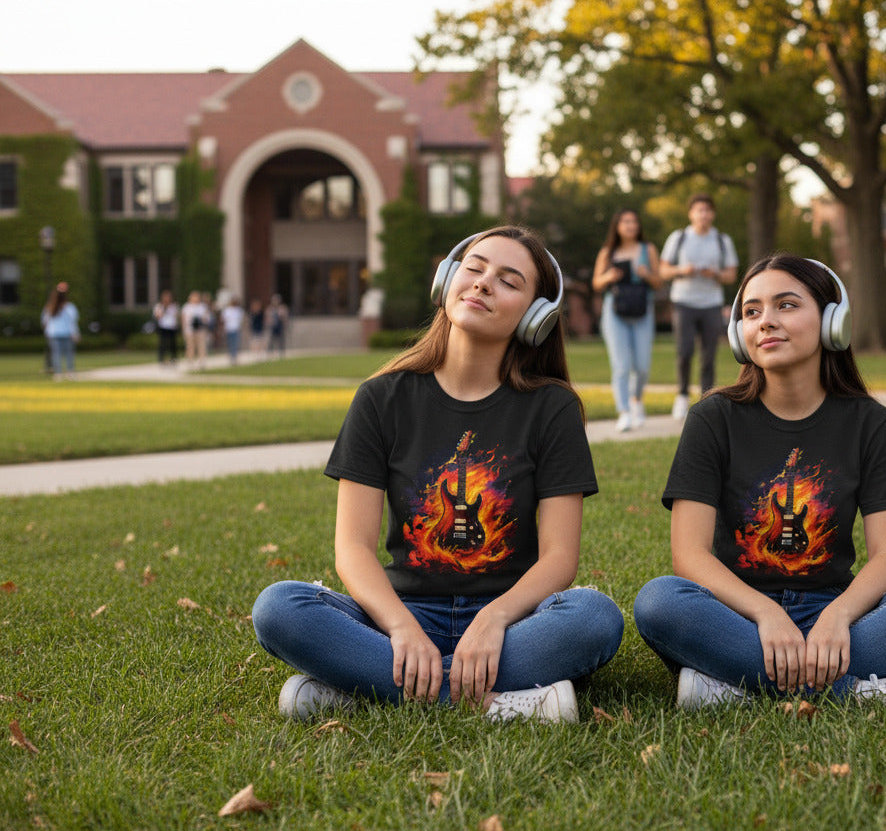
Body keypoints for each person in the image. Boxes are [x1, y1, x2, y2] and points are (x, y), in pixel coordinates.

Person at [251, 226, 624, 723]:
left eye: (509, 281)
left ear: (536, 316)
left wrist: (493, 619)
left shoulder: (552, 409)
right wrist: (402, 629)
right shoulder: (381, 398)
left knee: (596, 618)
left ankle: (362, 691)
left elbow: (559, 559)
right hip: (400, 613)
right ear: (447, 280)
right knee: (278, 607)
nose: (484, 283)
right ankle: (505, 705)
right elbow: (353, 549)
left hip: (511, 621)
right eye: (474, 267)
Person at [633, 254, 886, 710]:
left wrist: (838, 616)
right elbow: (689, 556)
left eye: (786, 305)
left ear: (833, 321)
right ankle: (861, 693)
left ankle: (734, 687)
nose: (765, 322)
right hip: (737, 615)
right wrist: (765, 613)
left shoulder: (869, 423)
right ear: (739, 334)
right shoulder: (712, 419)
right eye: (751, 312)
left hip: (839, 615)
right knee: (658, 601)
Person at [659, 193, 739, 419]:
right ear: (691, 214)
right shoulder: (679, 237)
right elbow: (663, 270)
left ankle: (706, 400)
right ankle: (682, 395)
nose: (703, 214)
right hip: (683, 302)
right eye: (699, 210)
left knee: (708, 354)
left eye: (707, 210)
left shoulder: (722, 240)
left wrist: (715, 274)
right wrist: (681, 270)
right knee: (684, 350)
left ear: (712, 214)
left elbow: (731, 275)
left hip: (711, 303)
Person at [592, 208, 662, 432]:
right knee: (621, 365)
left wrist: (646, 274)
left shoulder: (648, 249)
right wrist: (609, 276)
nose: (630, 225)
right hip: (615, 311)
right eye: (625, 221)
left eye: (634, 221)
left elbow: (659, 282)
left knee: (641, 366)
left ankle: (636, 399)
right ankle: (623, 411)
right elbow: (596, 283)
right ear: (617, 226)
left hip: (642, 310)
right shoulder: (608, 252)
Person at [41, 282, 79, 381]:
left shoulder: (49, 307)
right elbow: (72, 322)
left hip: (54, 334)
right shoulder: (69, 307)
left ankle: (58, 374)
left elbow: (45, 321)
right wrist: (75, 333)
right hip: (66, 333)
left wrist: (47, 332)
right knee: (68, 354)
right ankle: (70, 372)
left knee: (56, 354)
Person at [181, 290, 209, 370]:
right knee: (190, 347)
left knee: (201, 346)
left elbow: (206, 318)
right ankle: (190, 362)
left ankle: (202, 362)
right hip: (189, 330)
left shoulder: (202, 307)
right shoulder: (186, 307)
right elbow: (183, 319)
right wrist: (184, 329)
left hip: (200, 330)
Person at [152, 290, 180, 366]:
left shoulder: (174, 306)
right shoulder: (159, 306)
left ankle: (173, 359)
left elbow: (177, 316)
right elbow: (157, 316)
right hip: (163, 327)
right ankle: (161, 359)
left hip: (172, 327)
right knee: (162, 344)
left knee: (173, 344)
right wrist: (164, 309)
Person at [220, 295, 246, 365]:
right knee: (230, 343)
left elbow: (242, 320)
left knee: (236, 343)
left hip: (236, 329)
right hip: (228, 329)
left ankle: (235, 357)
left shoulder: (239, 310)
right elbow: (223, 320)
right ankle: (231, 356)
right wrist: (223, 329)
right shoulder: (226, 310)